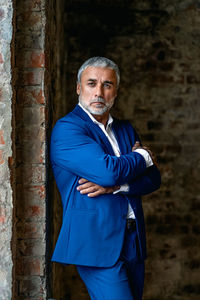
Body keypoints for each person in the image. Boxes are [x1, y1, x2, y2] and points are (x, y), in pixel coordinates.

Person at [50, 57, 161, 300]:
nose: (99, 92)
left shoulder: (126, 130)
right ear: (79, 88)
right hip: (95, 242)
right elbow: (107, 171)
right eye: (91, 83)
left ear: (116, 91)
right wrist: (142, 156)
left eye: (107, 85)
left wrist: (117, 187)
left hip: (133, 240)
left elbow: (153, 179)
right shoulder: (67, 129)